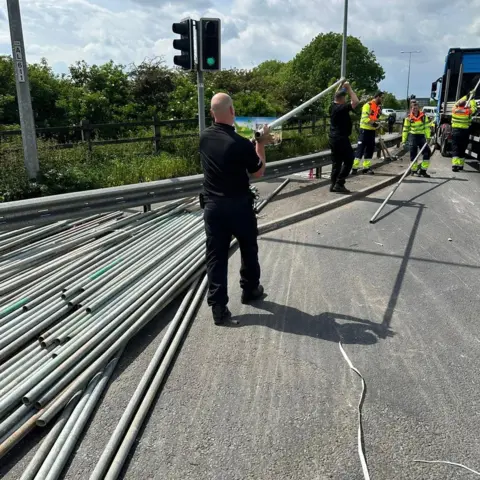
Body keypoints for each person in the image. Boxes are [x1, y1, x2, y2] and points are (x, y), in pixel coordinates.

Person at [199, 93, 273, 326]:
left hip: (213, 207)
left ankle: (218, 308)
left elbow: (224, 157)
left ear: (212, 114)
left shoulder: (204, 138)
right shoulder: (241, 145)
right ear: (232, 111)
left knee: (216, 256)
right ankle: (250, 289)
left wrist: (248, 149)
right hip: (239, 206)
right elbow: (259, 171)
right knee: (248, 248)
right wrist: (260, 144)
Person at [328, 81, 359, 193]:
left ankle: (333, 184)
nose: (346, 100)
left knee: (337, 162)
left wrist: (342, 87)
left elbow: (336, 94)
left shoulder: (332, 106)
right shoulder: (341, 108)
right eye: (344, 98)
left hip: (333, 138)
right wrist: (349, 88)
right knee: (349, 160)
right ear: (341, 99)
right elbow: (355, 101)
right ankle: (339, 183)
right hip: (341, 138)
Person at [352, 91, 384, 175]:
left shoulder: (377, 107)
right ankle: (354, 168)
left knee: (370, 149)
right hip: (364, 130)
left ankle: (366, 167)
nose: (382, 99)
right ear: (377, 97)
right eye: (382, 97)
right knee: (360, 149)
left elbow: (375, 118)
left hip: (371, 131)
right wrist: (374, 123)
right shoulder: (367, 105)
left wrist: (378, 122)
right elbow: (365, 118)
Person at [402, 101, 432, 177]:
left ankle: (423, 170)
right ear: (411, 109)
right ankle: (414, 171)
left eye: (416, 108)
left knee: (427, 152)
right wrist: (404, 141)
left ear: (418, 108)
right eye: (413, 108)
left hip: (421, 137)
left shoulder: (423, 117)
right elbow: (405, 130)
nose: (415, 109)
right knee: (413, 154)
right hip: (413, 136)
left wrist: (428, 137)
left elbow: (427, 127)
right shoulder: (408, 118)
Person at [451, 91, 478, 172]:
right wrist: (472, 98)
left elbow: (456, 103)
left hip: (456, 131)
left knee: (455, 148)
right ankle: (461, 165)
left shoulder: (454, 110)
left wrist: (466, 96)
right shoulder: (468, 111)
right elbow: (474, 108)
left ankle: (454, 165)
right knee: (463, 148)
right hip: (465, 132)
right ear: (465, 105)